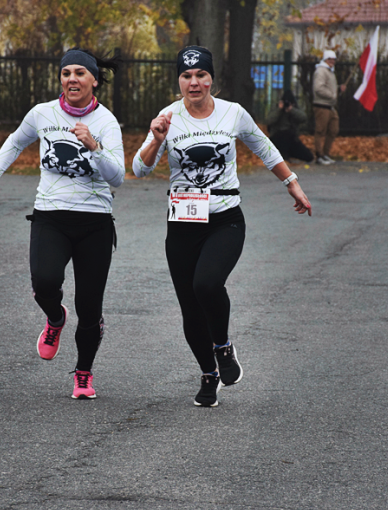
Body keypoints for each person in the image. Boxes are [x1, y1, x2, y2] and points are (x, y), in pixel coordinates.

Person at [132, 45, 312, 407]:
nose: (193, 82)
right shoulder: (168, 117)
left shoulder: (233, 113)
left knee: (207, 283)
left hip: (224, 218)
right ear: (179, 80)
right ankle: (208, 373)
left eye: (200, 75)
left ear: (211, 78)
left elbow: (264, 147)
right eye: (186, 76)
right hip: (182, 223)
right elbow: (139, 169)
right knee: (189, 306)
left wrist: (291, 183)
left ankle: (223, 346)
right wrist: (156, 137)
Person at [0, 48, 125, 400]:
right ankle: (55, 317)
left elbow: (117, 177)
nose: (71, 79)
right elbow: (15, 143)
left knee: (90, 307)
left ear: (94, 80)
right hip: (51, 216)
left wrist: (94, 146)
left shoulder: (106, 122)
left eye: (79, 73)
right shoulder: (43, 113)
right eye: (66, 73)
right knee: (44, 282)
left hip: (95, 223)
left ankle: (84, 373)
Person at [312, 50, 346, 165]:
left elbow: (327, 87)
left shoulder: (330, 71)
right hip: (322, 105)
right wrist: (332, 95)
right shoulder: (321, 71)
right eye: (330, 59)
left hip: (330, 106)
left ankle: (325, 154)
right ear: (325, 59)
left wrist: (337, 88)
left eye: (334, 59)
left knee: (333, 129)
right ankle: (319, 156)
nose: (332, 61)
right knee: (320, 130)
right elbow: (318, 88)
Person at [265, 89, 314, 164]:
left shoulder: (294, 109)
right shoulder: (276, 108)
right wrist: (279, 109)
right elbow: (269, 120)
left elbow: (303, 117)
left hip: (292, 139)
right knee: (285, 134)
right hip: (277, 138)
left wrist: (292, 110)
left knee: (309, 156)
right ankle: (283, 156)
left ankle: (288, 154)